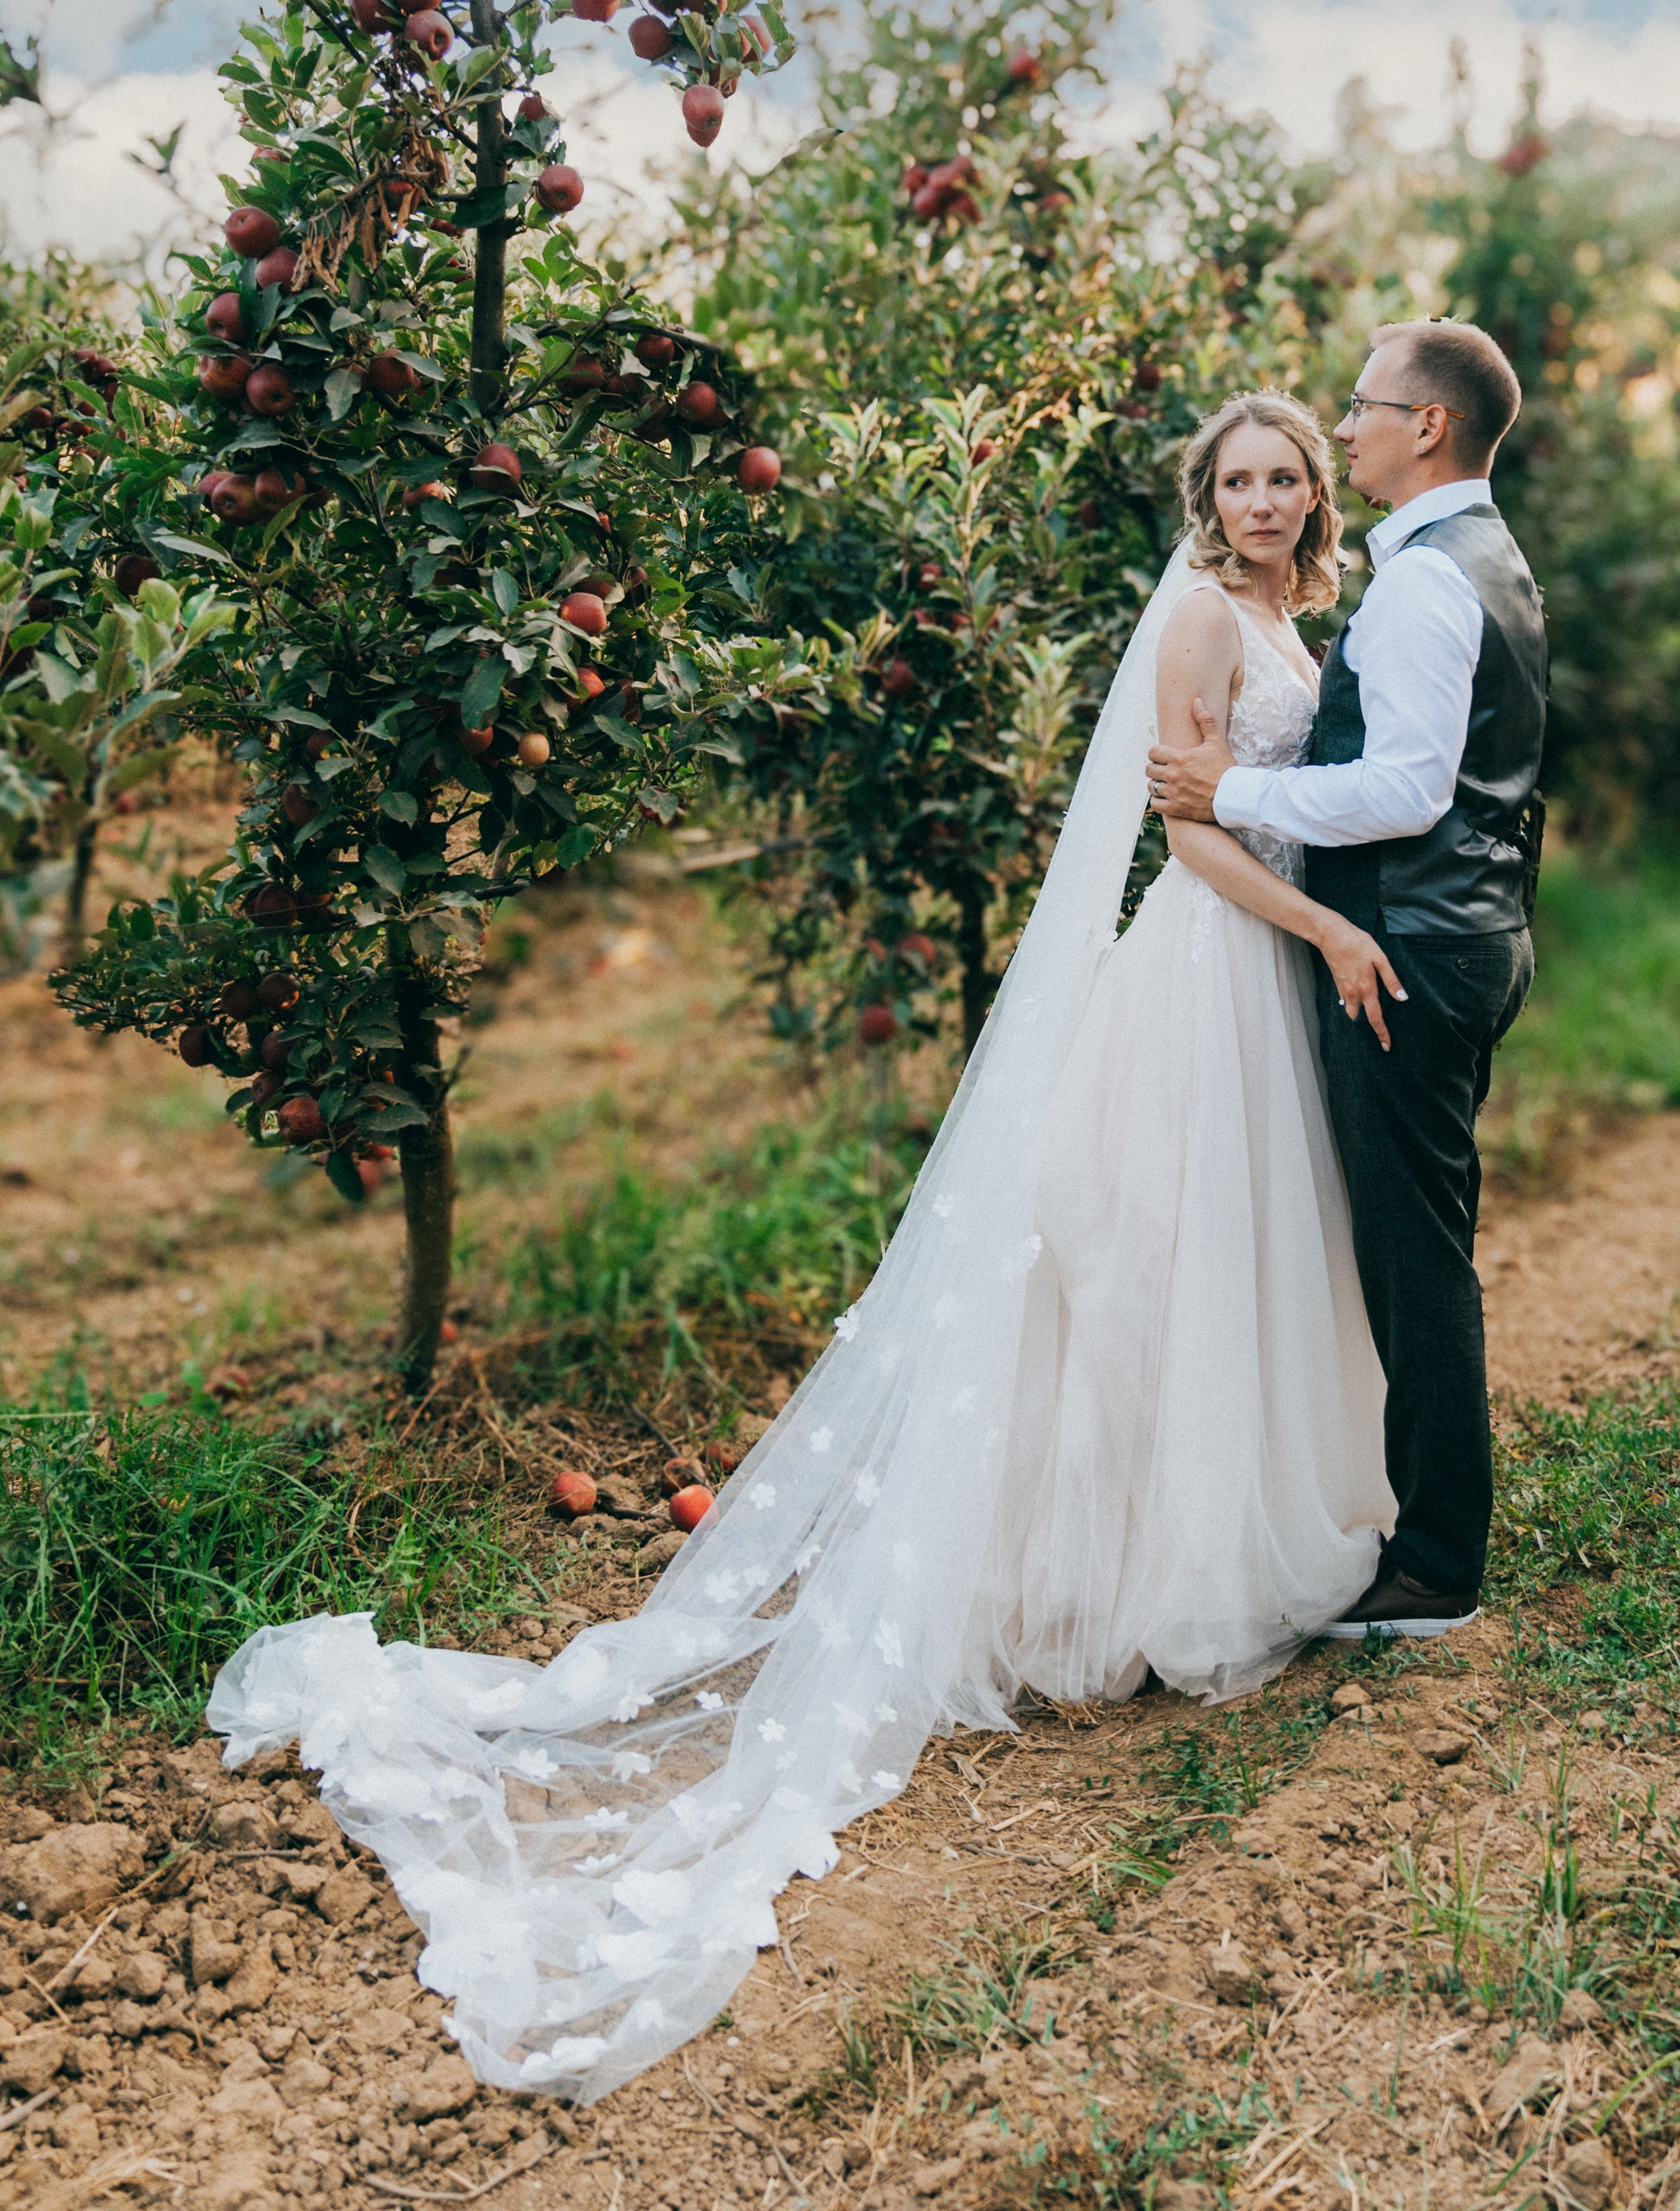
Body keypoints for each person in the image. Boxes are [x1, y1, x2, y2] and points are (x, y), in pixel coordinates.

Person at [208, 392, 1402, 2103]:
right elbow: (1192, 840)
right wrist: (1322, 924)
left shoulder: (1306, 617)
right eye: (1242, 479)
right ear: (1205, 500)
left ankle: (1200, 1552)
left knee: (1240, 1273)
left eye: (1289, 475)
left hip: (1272, 980)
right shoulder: (1205, 617)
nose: (1271, 498)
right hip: (1214, 970)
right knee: (1149, 1273)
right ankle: (1120, 1592)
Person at [1149, 318, 1548, 1640]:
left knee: (1411, 1258)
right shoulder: (1484, 562)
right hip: (1453, 932)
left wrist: (1234, 787)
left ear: (1425, 426)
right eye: (1242, 477)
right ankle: (1396, 1518)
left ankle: (1433, 1564)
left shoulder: (1430, 579)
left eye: (1365, 407)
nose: (1352, 424)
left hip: (1409, 952)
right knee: (1392, 1243)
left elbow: (1410, 786)